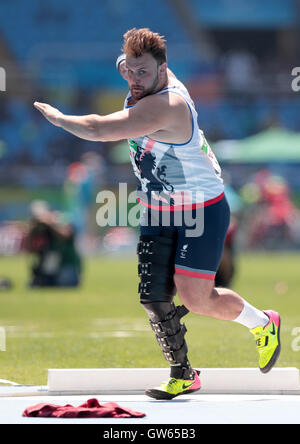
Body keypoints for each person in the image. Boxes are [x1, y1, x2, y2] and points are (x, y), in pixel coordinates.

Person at [33, 28, 281, 400]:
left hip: (202, 208)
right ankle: (183, 373)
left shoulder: (167, 106)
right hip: (159, 207)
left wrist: (58, 118)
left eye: (143, 73)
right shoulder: (139, 72)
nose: (134, 79)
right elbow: (129, 62)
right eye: (129, 71)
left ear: (163, 69)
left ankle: (263, 323)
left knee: (197, 298)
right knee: (152, 295)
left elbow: (100, 129)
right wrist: (131, 64)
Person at [26, 200, 82, 288]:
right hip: (49, 267)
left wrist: (50, 224)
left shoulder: (60, 219)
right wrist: (32, 231)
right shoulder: (39, 230)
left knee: (63, 283)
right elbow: (30, 250)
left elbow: (66, 235)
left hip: (66, 266)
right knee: (38, 285)